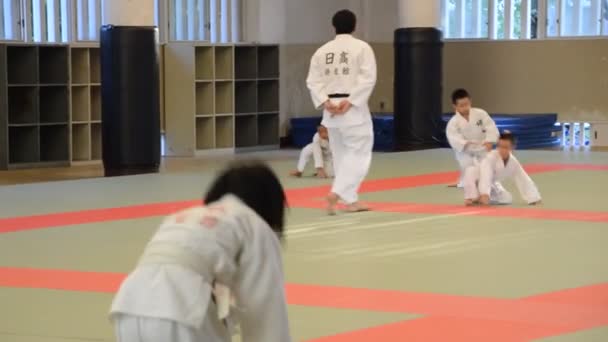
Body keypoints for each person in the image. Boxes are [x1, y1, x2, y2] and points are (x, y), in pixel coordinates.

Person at [110, 162, 291, 342]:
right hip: (180, 311)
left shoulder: (183, 216)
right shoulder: (254, 224)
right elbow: (265, 309)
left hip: (128, 307)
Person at [306, 9, 377, 215]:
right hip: (352, 110)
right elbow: (368, 78)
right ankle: (336, 194)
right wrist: (351, 101)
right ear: (354, 26)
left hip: (331, 113)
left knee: (341, 157)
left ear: (334, 26)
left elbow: (313, 81)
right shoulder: (362, 48)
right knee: (359, 155)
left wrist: (325, 101)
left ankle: (350, 200)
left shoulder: (322, 51)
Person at [463, 132, 542, 206]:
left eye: (505, 147)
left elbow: (523, 178)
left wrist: (534, 197)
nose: (502, 150)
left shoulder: (513, 161)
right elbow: (486, 175)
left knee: (507, 198)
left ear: (512, 147)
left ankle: (480, 197)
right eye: (499, 146)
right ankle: (471, 197)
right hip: (476, 179)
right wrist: (485, 193)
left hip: (491, 183)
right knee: (471, 172)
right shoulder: (491, 157)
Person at [446, 89, 500, 188]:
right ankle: (463, 182)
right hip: (465, 150)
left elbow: (491, 127)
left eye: (467, 104)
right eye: (461, 105)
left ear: (470, 101)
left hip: (482, 146)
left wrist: (490, 141)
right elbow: (453, 137)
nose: (465, 107)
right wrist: (464, 143)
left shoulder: (481, 114)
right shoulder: (453, 122)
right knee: (468, 167)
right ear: (455, 106)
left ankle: (485, 183)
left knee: (487, 168)